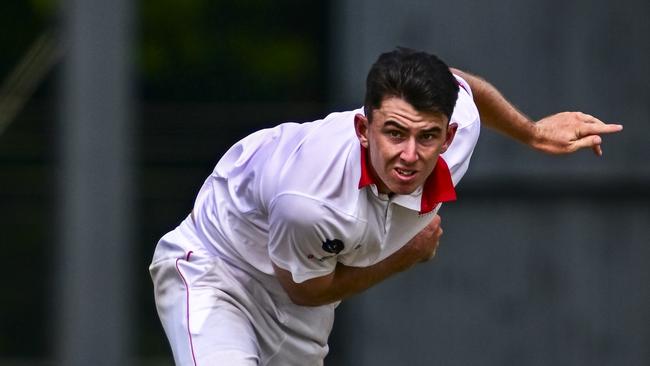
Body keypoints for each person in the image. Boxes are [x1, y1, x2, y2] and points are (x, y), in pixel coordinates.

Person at [149, 47, 622, 366]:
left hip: (303, 286)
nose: (410, 155)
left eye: (427, 136)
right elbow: (306, 291)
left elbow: (464, 89)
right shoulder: (312, 202)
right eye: (394, 133)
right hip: (219, 268)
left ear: (448, 135)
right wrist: (405, 256)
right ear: (363, 129)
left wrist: (534, 133)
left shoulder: (456, 132)